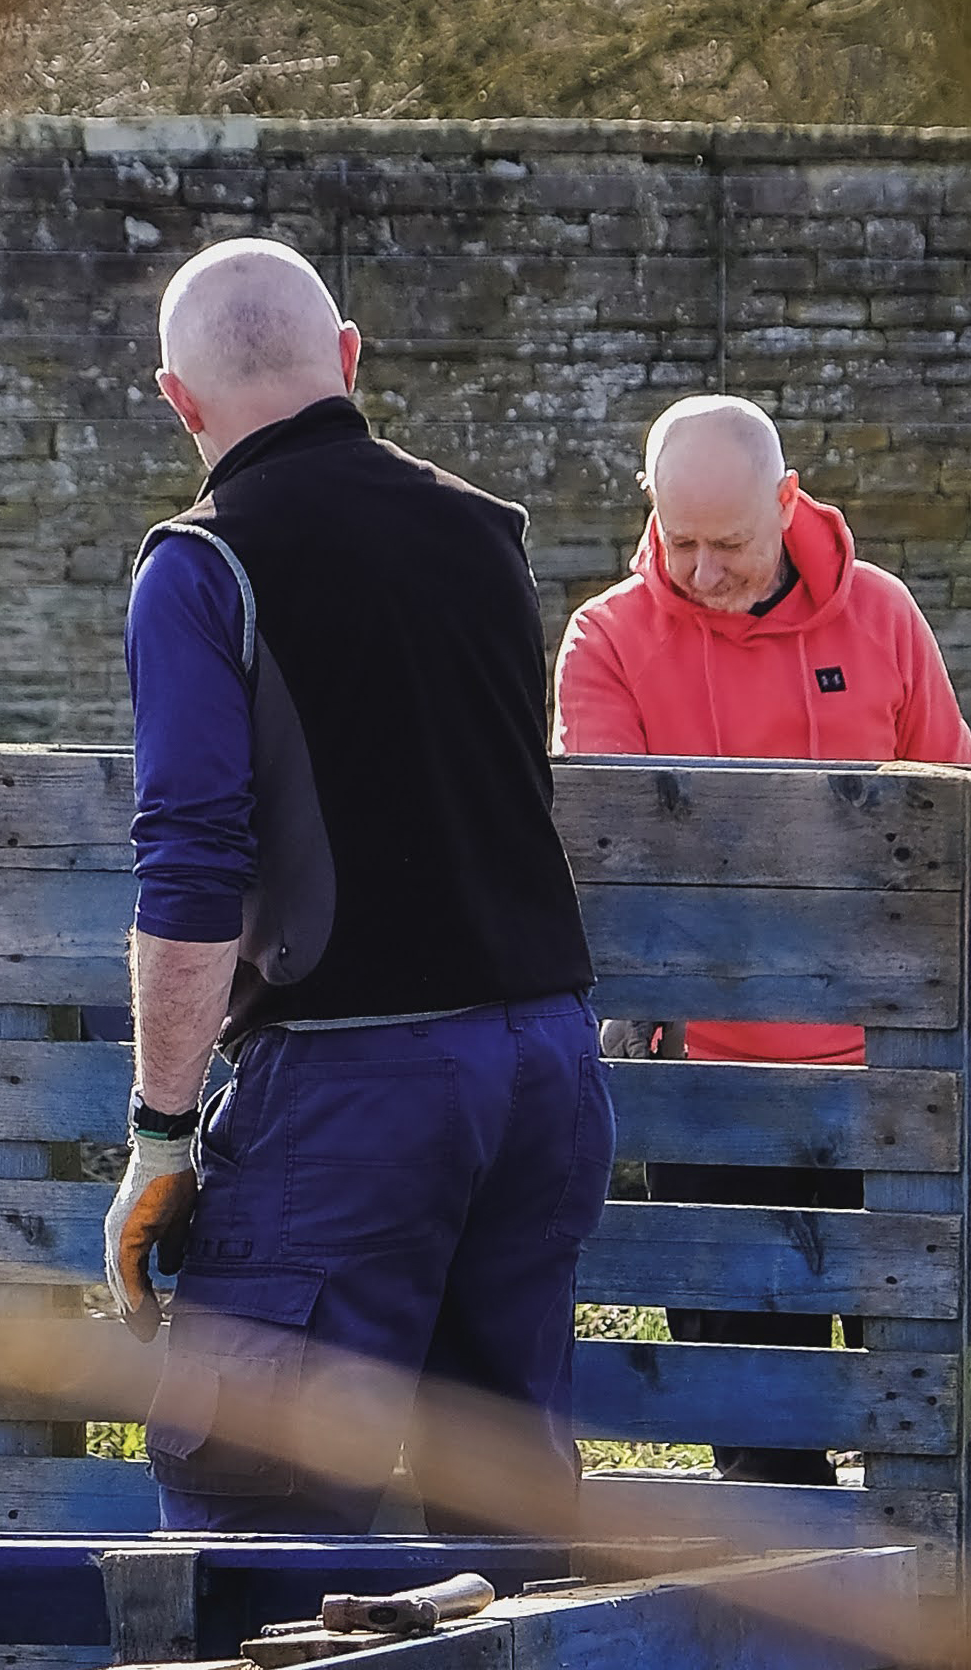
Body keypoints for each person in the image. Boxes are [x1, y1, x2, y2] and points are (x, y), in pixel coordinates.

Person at [553, 393, 971, 1670]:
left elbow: (968, 829)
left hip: (889, 1082)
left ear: (786, 505)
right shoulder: (609, 640)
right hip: (713, 1088)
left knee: (950, 1385)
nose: (698, 571)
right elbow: (606, 853)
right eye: (676, 539)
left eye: (723, 542)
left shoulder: (879, 618)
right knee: (753, 1410)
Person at [101, 237, 612, 1535]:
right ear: (347, 359)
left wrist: (162, 1135)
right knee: (504, 1518)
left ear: (177, 398)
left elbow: (193, 857)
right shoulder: (484, 533)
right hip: (544, 1068)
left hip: (356, 1088)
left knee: (246, 1509)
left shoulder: (200, 565)